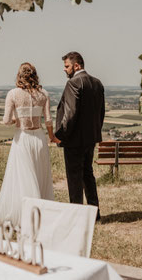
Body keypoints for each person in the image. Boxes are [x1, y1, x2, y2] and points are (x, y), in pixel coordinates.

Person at [0, 62, 57, 227]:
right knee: (40, 175)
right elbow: (48, 119)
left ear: (19, 76)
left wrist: (16, 119)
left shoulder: (13, 94)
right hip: (39, 138)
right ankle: (40, 216)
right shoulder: (44, 94)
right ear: (35, 75)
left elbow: (6, 120)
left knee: (22, 178)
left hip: (23, 137)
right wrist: (52, 137)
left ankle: (26, 217)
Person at [54, 51, 105, 221]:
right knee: (88, 174)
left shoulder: (74, 83)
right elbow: (101, 113)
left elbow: (70, 114)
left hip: (74, 140)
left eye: (66, 66)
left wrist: (61, 135)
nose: (64, 69)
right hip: (91, 138)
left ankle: (76, 216)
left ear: (77, 65)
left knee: (74, 178)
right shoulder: (98, 83)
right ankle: (94, 213)